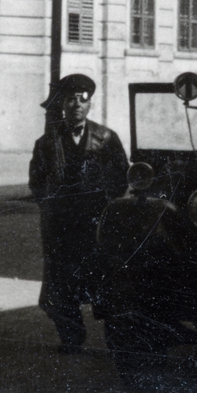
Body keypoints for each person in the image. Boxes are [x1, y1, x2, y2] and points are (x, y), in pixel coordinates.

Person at [27, 72, 129, 353]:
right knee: (59, 286)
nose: (76, 105)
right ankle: (71, 338)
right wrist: (50, 205)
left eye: (82, 100)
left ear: (90, 105)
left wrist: (104, 205)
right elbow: (36, 182)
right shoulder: (47, 143)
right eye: (70, 100)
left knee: (105, 281)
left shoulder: (106, 139)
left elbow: (121, 178)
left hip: (95, 225)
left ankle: (117, 339)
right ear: (63, 105)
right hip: (60, 226)